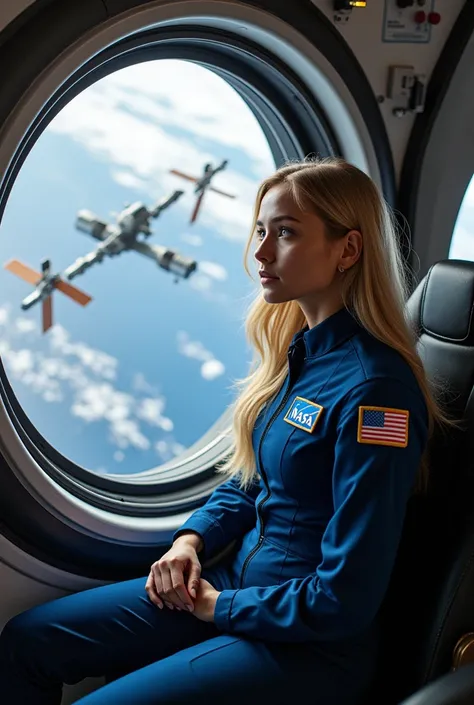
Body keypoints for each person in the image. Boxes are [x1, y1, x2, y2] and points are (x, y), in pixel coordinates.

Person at [0, 157, 449, 705]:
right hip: (236, 586)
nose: (259, 252)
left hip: (307, 641)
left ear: (348, 250)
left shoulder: (377, 393)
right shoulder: (301, 353)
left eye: (284, 233)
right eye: (261, 230)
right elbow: (253, 481)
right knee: (27, 642)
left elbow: (346, 596)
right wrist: (192, 540)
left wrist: (218, 607)